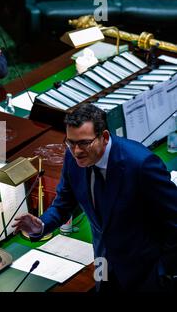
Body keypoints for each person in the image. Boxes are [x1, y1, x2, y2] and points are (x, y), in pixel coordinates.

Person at [13, 104, 177, 291]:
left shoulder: (141, 164)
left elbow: (174, 219)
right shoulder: (73, 158)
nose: (76, 151)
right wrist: (41, 225)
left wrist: (165, 269)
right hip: (102, 263)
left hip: (145, 273)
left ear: (104, 137)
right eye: (70, 142)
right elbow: (64, 203)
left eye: (83, 143)